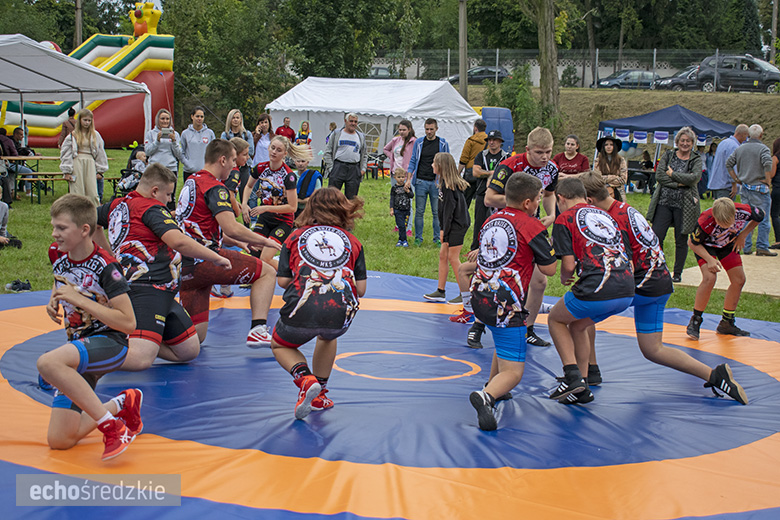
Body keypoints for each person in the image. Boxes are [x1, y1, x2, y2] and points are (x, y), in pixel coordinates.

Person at [578, 171, 747, 405]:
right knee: (653, 349)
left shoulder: (612, 219)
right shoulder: (625, 209)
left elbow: (622, 263)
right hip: (659, 282)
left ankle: (580, 380)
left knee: (576, 319)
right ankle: (714, 375)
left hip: (642, 283)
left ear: (588, 202)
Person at [95, 164, 232, 370]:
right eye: (168, 194)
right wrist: (215, 257)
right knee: (141, 360)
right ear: (154, 191)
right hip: (146, 288)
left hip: (164, 290)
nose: (169, 200)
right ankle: (74, 362)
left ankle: (125, 335)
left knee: (188, 350)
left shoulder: (118, 203)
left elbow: (92, 222)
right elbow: (178, 241)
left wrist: (110, 256)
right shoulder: (152, 209)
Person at [37, 194, 140, 461]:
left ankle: (112, 428)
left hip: (110, 343)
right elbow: (63, 278)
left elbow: (128, 322)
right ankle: (121, 404)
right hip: (80, 346)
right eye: (53, 226)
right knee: (60, 440)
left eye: (61, 228)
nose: (54, 233)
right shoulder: (57, 254)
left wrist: (79, 300)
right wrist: (54, 299)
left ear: (85, 230)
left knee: (48, 364)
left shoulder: (107, 266)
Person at [468, 173, 557, 430]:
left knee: (502, 340)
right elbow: (549, 270)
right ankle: (486, 397)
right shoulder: (531, 226)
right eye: (540, 197)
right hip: (506, 304)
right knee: (515, 372)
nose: (541, 201)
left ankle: (493, 386)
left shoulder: (492, 220)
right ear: (529, 202)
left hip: (480, 295)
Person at [270, 187, 367, 420]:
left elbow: (283, 281)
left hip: (303, 309)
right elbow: (361, 290)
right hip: (340, 315)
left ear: (310, 208)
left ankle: (305, 379)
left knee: (279, 345)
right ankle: (320, 393)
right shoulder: (353, 242)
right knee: (328, 336)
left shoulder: (294, 236)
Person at [176, 139, 281, 347]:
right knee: (267, 272)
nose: (235, 165)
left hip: (185, 266)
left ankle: (142, 342)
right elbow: (231, 227)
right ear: (222, 160)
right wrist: (265, 240)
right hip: (206, 260)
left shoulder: (192, 182)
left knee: (194, 339)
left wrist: (242, 244)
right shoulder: (215, 187)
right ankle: (258, 329)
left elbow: (202, 228)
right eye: (233, 160)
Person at [548, 177, 635, 404]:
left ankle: (572, 375)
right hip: (627, 288)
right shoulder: (605, 215)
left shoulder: (564, 218)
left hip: (598, 286)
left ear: (561, 199)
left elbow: (567, 266)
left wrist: (566, 277)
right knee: (579, 325)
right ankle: (584, 383)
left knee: (556, 319)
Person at [481, 126, 558, 348]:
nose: (544, 157)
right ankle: (483, 322)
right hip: (505, 229)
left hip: (532, 227)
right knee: (500, 279)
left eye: (548, 152)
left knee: (540, 280)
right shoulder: (509, 166)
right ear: (528, 150)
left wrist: (551, 215)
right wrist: (518, 202)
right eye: (539, 152)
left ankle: (528, 327)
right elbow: (489, 198)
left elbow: (550, 194)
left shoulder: (551, 169)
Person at [686, 197, 764, 340]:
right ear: (714, 216)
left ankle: (727, 322)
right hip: (706, 247)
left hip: (727, 244)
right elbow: (692, 243)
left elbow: (760, 215)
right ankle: (696, 320)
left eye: (729, 223)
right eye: (721, 224)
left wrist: (743, 234)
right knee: (710, 278)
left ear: (735, 214)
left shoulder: (743, 210)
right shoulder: (705, 220)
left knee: (739, 280)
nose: (725, 226)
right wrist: (709, 259)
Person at [242, 135, 311, 270]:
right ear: (268, 148)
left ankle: (294, 275)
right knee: (253, 250)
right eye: (272, 148)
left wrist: (265, 208)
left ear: (285, 154)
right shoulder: (260, 168)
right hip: (265, 217)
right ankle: (257, 282)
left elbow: (292, 207)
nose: (274, 152)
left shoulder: (288, 175)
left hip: (282, 221)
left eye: (279, 150)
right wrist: (244, 203)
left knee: (266, 258)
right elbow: (249, 186)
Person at [646, 126, 702, 283]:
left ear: (692, 143)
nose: (685, 144)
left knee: (681, 239)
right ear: (677, 141)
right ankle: (659, 268)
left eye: (688, 141)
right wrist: (678, 183)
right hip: (664, 202)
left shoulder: (695, 159)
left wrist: (672, 174)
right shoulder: (669, 155)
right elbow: (660, 176)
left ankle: (677, 273)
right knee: (657, 235)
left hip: (685, 206)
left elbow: (694, 178)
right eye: (682, 140)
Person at [423, 153, 470, 302]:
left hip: (457, 225)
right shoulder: (443, 183)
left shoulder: (450, 187)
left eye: (434, 163)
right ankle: (440, 291)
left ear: (441, 166)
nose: (432, 165)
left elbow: (449, 212)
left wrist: (444, 230)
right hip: (451, 223)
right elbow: (443, 211)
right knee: (443, 255)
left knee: (452, 257)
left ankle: (466, 294)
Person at [726, 124, 776, 256]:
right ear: (761, 135)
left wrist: (736, 178)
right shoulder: (763, 149)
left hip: (745, 187)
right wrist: (768, 180)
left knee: (746, 217)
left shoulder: (741, 148)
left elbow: (729, 163)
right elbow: (767, 163)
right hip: (759, 188)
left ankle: (745, 247)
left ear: (748, 134)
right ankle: (762, 246)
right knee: (763, 218)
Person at [407, 118, 450, 246]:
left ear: (436, 129)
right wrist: (409, 178)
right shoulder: (419, 142)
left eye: (431, 129)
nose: (429, 132)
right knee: (419, 211)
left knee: (437, 212)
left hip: (436, 182)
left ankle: (437, 238)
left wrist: (445, 180)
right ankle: (418, 238)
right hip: (421, 181)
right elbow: (413, 160)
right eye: (427, 129)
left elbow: (447, 162)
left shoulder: (442, 143)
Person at [60, 109, 108, 206]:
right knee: (77, 191)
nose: (87, 123)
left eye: (89, 120)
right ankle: (77, 216)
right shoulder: (73, 135)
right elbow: (66, 152)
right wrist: (67, 171)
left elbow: (100, 152)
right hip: (77, 162)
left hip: (90, 162)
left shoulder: (95, 135)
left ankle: (94, 214)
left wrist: (100, 170)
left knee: (92, 192)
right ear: (80, 120)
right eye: (85, 120)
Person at [144, 108, 184, 210]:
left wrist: (174, 141)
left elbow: (179, 154)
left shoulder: (175, 134)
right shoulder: (151, 134)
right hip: (156, 169)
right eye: (162, 118)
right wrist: (157, 141)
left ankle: (170, 217)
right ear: (158, 119)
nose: (165, 121)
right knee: (154, 194)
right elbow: (148, 151)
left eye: (167, 119)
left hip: (170, 168)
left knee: (170, 196)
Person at [323, 113, 367, 200]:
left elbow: (364, 154)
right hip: (338, 166)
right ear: (345, 121)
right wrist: (332, 168)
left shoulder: (360, 136)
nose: (353, 123)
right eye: (351, 121)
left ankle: (348, 214)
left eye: (355, 122)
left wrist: (363, 169)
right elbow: (327, 152)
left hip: (354, 169)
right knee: (332, 197)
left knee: (351, 199)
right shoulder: (336, 134)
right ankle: (332, 213)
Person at [708, 124, 749, 199]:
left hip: (717, 183)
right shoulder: (734, 146)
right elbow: (731, 166)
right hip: (726, 186)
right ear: (743, 134)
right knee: (726, 209)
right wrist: (734, 184)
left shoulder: (723, 142)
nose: (746, 139)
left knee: (719, 208)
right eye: (746, 136)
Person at [458, 118, 487, 207]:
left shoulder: (471, 140)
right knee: (481, 200)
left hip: (470, 172)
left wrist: (457, 173)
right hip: (483, 173)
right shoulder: (489, 141)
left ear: (475, 128)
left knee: (465, 200)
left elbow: (464, 158)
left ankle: (463, 218)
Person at [181, 106, 216, 181]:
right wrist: (188, 164)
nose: (199, 118)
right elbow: (182, 152)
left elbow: (214, 151)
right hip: (189, 172)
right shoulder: (185, 133)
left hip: (205, 171)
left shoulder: (210, 133)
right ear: (192, 116)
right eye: (197, 116)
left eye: (201, 116)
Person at [593, 135, 628, 201]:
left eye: (611, 145)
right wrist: (614, 177)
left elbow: (623, 179)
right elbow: (597, 179)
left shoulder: (621, 160)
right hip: (601, 191)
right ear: (603, 147)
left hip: (618, 192)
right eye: (606, 145)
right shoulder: (598, 161)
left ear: (614, 146)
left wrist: (606, 180)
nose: (608, 147)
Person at [389, 168, 413, 247]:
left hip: (406, 210)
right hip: (397, 210)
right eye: (399, 177)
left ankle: (403, 240)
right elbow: (392, 199)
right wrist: (392, 209)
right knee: (400, 225)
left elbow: (412, 196)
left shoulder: (407, 186)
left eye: (403, 177)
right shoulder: (394, 188)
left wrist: (408, 191)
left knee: (404, 226)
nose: (401, 179)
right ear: (395, 177)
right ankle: (402, 240)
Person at [769, 137, 780, 249]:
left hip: (778, 188)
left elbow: (772, 174)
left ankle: (778, 240)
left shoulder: (775, 158)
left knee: (775, 214)